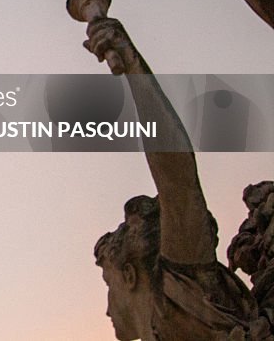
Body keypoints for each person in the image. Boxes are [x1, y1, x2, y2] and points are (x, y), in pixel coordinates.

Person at [85, 17, 271, 340]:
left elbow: (177, 178)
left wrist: (130, 62)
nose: (107, 308)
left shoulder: (177, 295)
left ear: (130, 275)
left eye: (108, 285)